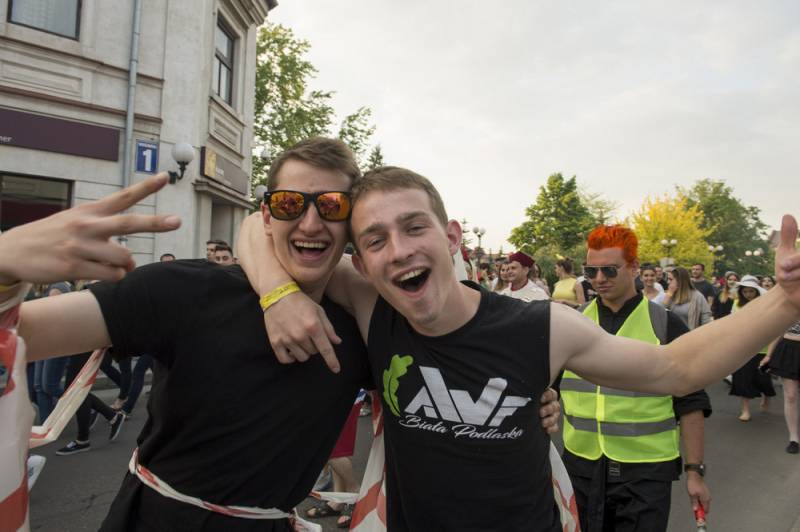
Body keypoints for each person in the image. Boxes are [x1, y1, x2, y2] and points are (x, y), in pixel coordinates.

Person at [1, 143, 564, 531]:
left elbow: (448, 375)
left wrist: (530, 396)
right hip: (154, 520)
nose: (311, 223)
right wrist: (7, 267)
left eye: (332, 206)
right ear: (267, 215)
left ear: (350, 227)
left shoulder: (362, 328)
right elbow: (24, 334)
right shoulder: (182, 290)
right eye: (291, 204)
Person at [239, 165, 800, 531]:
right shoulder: (372, 307)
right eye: (376, 240)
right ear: (360, 264)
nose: (400, 250)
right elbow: (255, 227)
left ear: (450, 237)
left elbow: (676, 368)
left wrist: (786, 301)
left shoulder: (541, 327)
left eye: (414, 227)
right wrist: (276, 294)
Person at [561, 226, 711, 532]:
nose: (599, 279)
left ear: (633, 268)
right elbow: (545, 389)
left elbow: (691, 402)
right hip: (581, 467)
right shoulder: (572, 324)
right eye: (590, 271)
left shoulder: (665, 325)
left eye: (609, 270)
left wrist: (694, 472)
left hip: (645, 473)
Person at [730, 275, 776, 421]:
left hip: (762, 347)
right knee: (743, 378)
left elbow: (773, 327)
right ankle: (745, 409)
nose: (748, 294)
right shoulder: (737, 303)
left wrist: (770, 353)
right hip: (743, 347)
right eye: (745, 291)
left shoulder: (766, 304)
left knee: (763, 379)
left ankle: (767, 395)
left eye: (751, 291)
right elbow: (732, 323)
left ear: (757, 291)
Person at [761, 319, 800, 453]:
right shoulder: (791, 306)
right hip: (789, 350)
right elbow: (778, 330)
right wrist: (768, 355)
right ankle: (794, 438)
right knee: (791, 396)